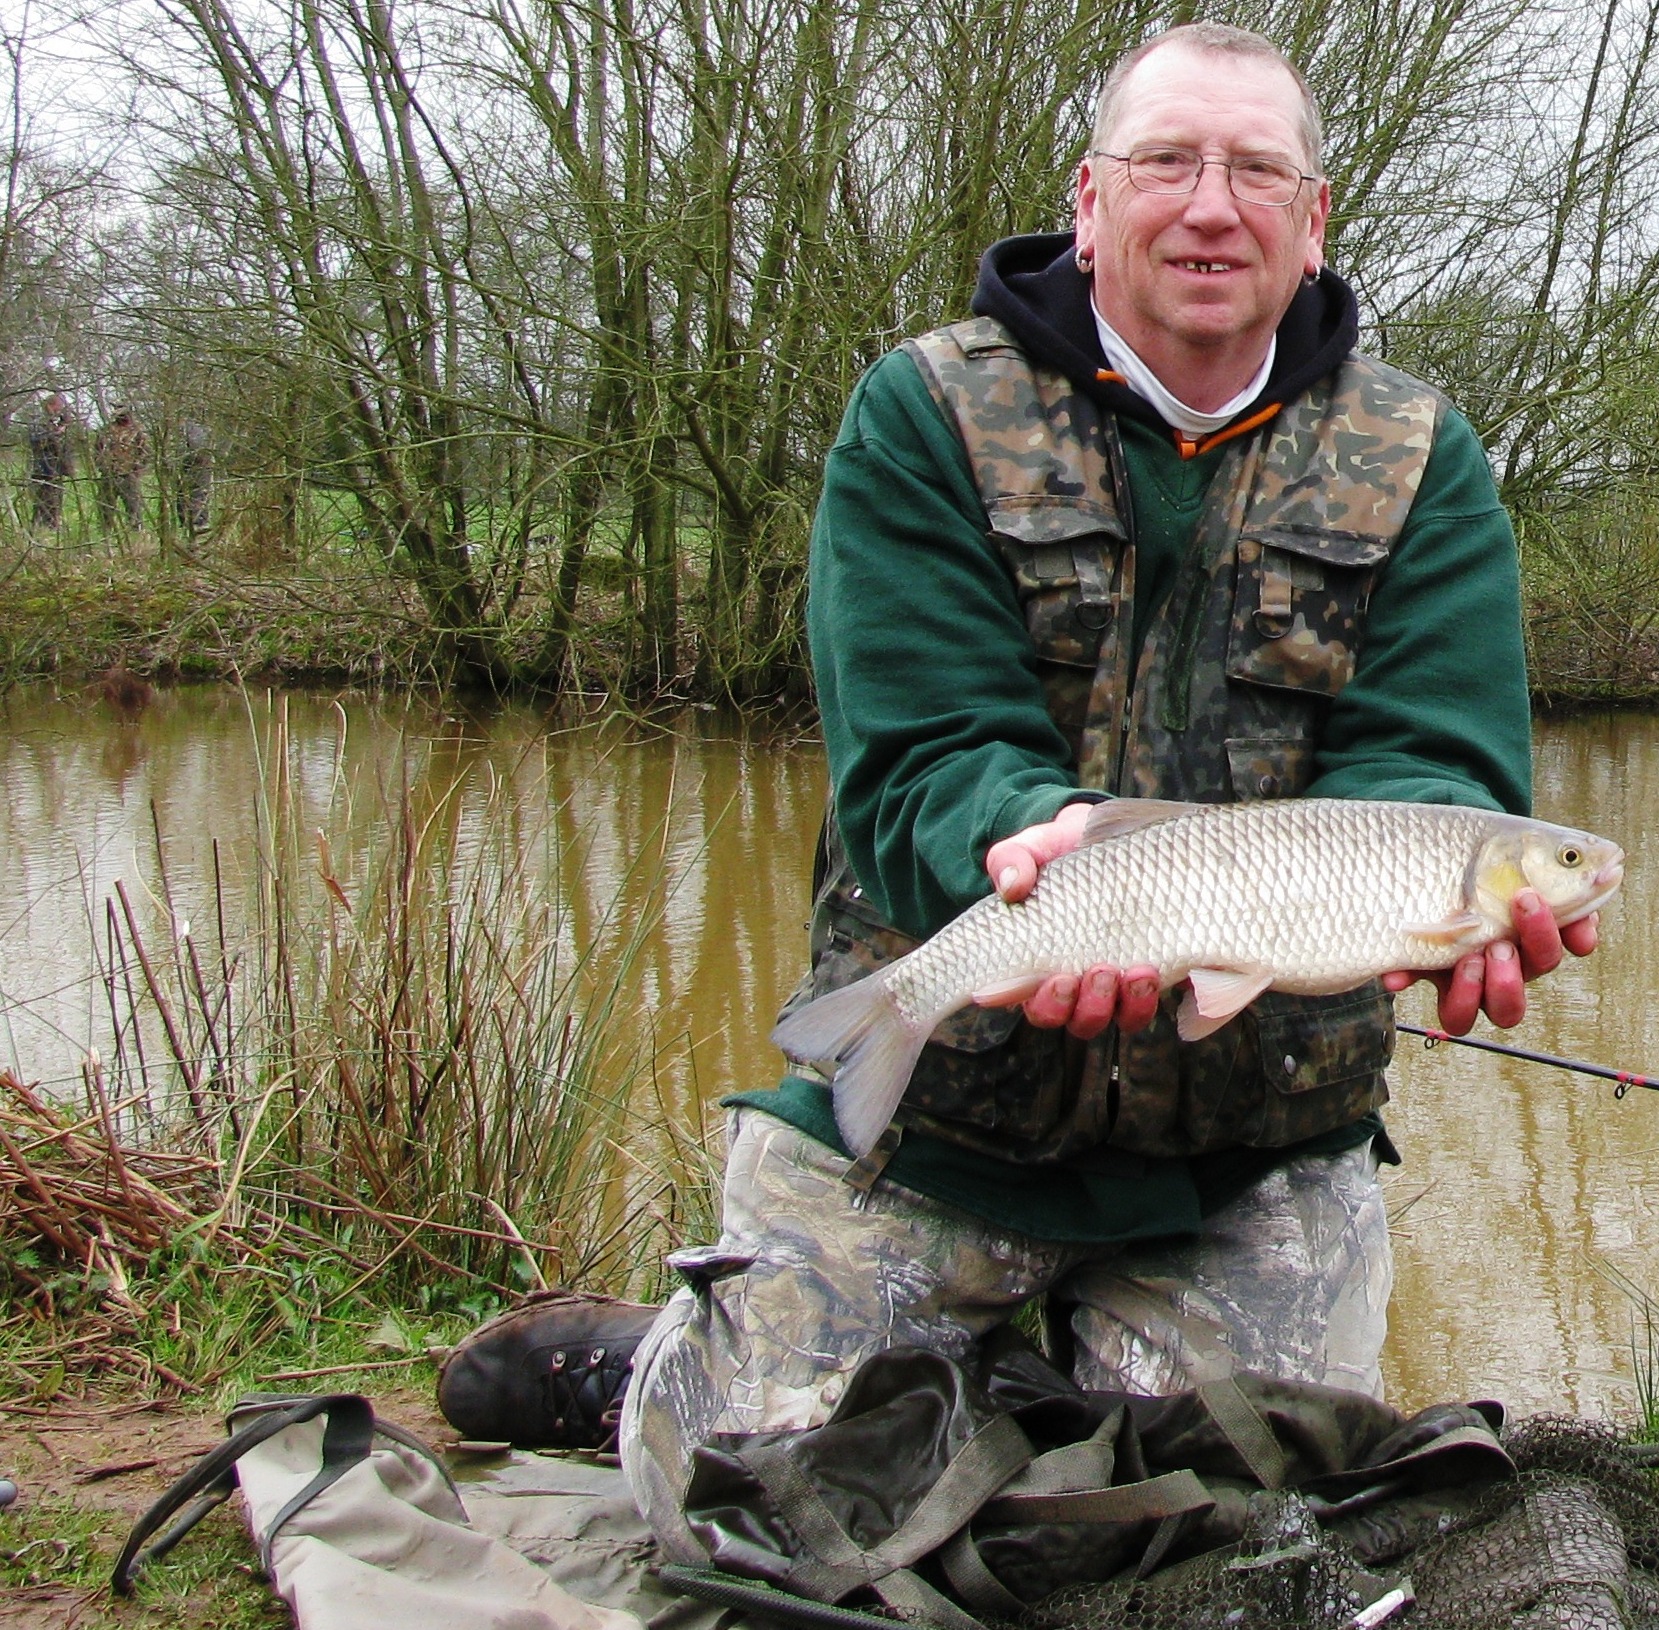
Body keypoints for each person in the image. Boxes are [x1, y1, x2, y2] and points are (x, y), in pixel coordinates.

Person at [443, 22, 1597, 1559]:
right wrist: (1018, 842)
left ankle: (1026, 1383)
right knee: (751, 1523)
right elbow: (918, 747)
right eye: (1166, 162)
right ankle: (649, 1369)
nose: (1210, 204)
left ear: (1312, 217)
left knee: (1226, 1543)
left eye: (1257, 169)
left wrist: (1438, 898)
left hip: (1242, 1150)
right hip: (936, 1111)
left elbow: (1434, 766)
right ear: (1086, 197)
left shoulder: (1420, 457)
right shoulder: (920, 412)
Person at [95, 406, 149, 533]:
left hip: (129, 475)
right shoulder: (106, 430)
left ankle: (136, 530)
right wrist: (102, 465)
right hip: (109, 475)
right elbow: (97, 449)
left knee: (133, 506)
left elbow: (145, 453)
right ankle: (105, 531)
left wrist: (137, 468)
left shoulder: (138, 431)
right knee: (105, 506)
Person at [26, 395, 73, 529]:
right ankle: (40, 526)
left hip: (55, 468)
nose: (60, 411)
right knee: (44, 500)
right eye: (59, 407)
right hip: (43, 468)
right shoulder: (38, 421)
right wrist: (58, 432)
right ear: (51, 405)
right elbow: (38, 441)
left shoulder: (53, 422)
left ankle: (52, 525)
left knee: (55, 499)